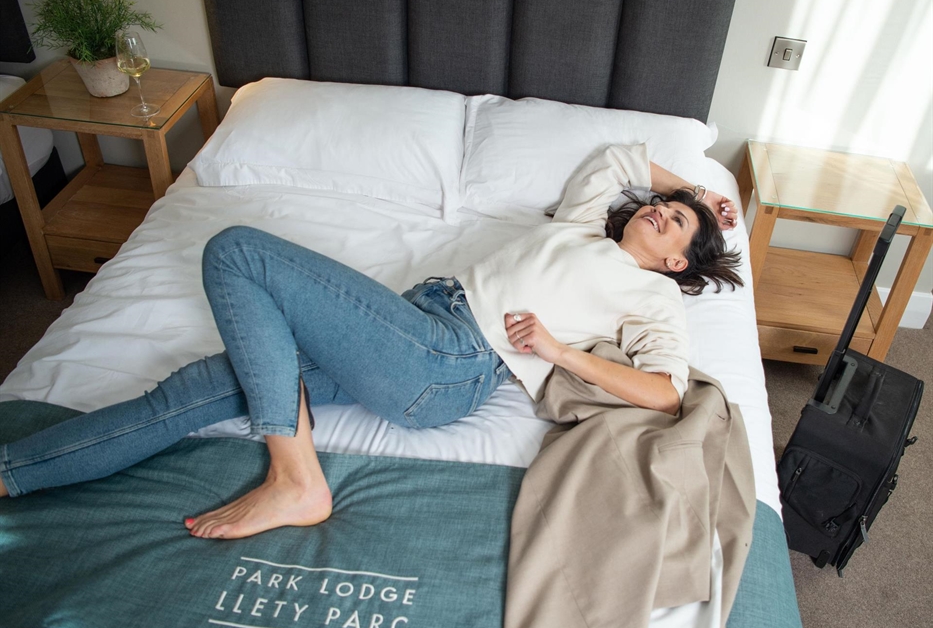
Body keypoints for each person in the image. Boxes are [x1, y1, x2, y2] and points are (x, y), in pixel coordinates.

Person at [0, 143, 743, 540]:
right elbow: (622, 156)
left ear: (678, 262)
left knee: (237, 250)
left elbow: (666, 392)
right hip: (411, 324)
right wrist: (700, 192)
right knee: (193, 390)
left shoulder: (651, 295)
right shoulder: (585, 224)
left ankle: (295, 477)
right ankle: (14, 471)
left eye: (675, 225)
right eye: (661, 206)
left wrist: (558, 353)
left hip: (450, 361)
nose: (659, 213)